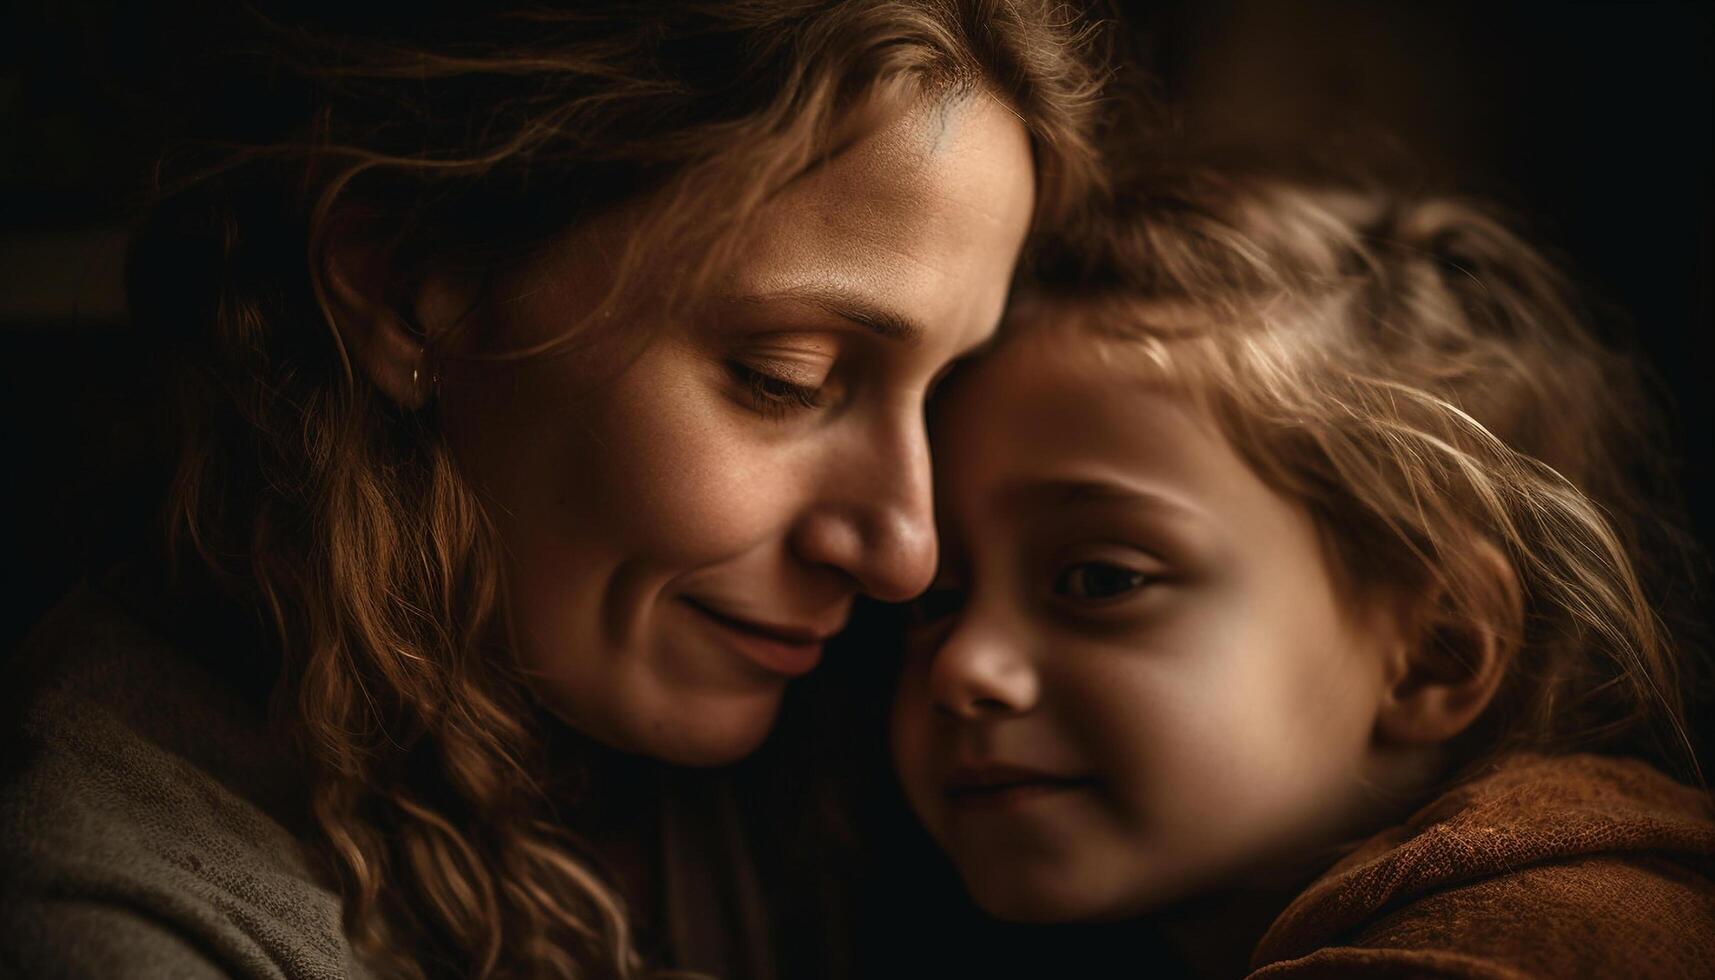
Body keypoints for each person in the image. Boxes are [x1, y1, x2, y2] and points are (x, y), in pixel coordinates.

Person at [0, 3, 1107, 978]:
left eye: (944, 391)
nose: (903, 553)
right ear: (409, 288)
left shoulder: (870, 729)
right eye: (788, 378)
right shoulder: (123, 913)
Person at [891, 167, 1715, 977]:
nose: (963, 667)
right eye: (937, 597)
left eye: (1101, 580)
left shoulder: (1546, 938)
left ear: (1440, 647)